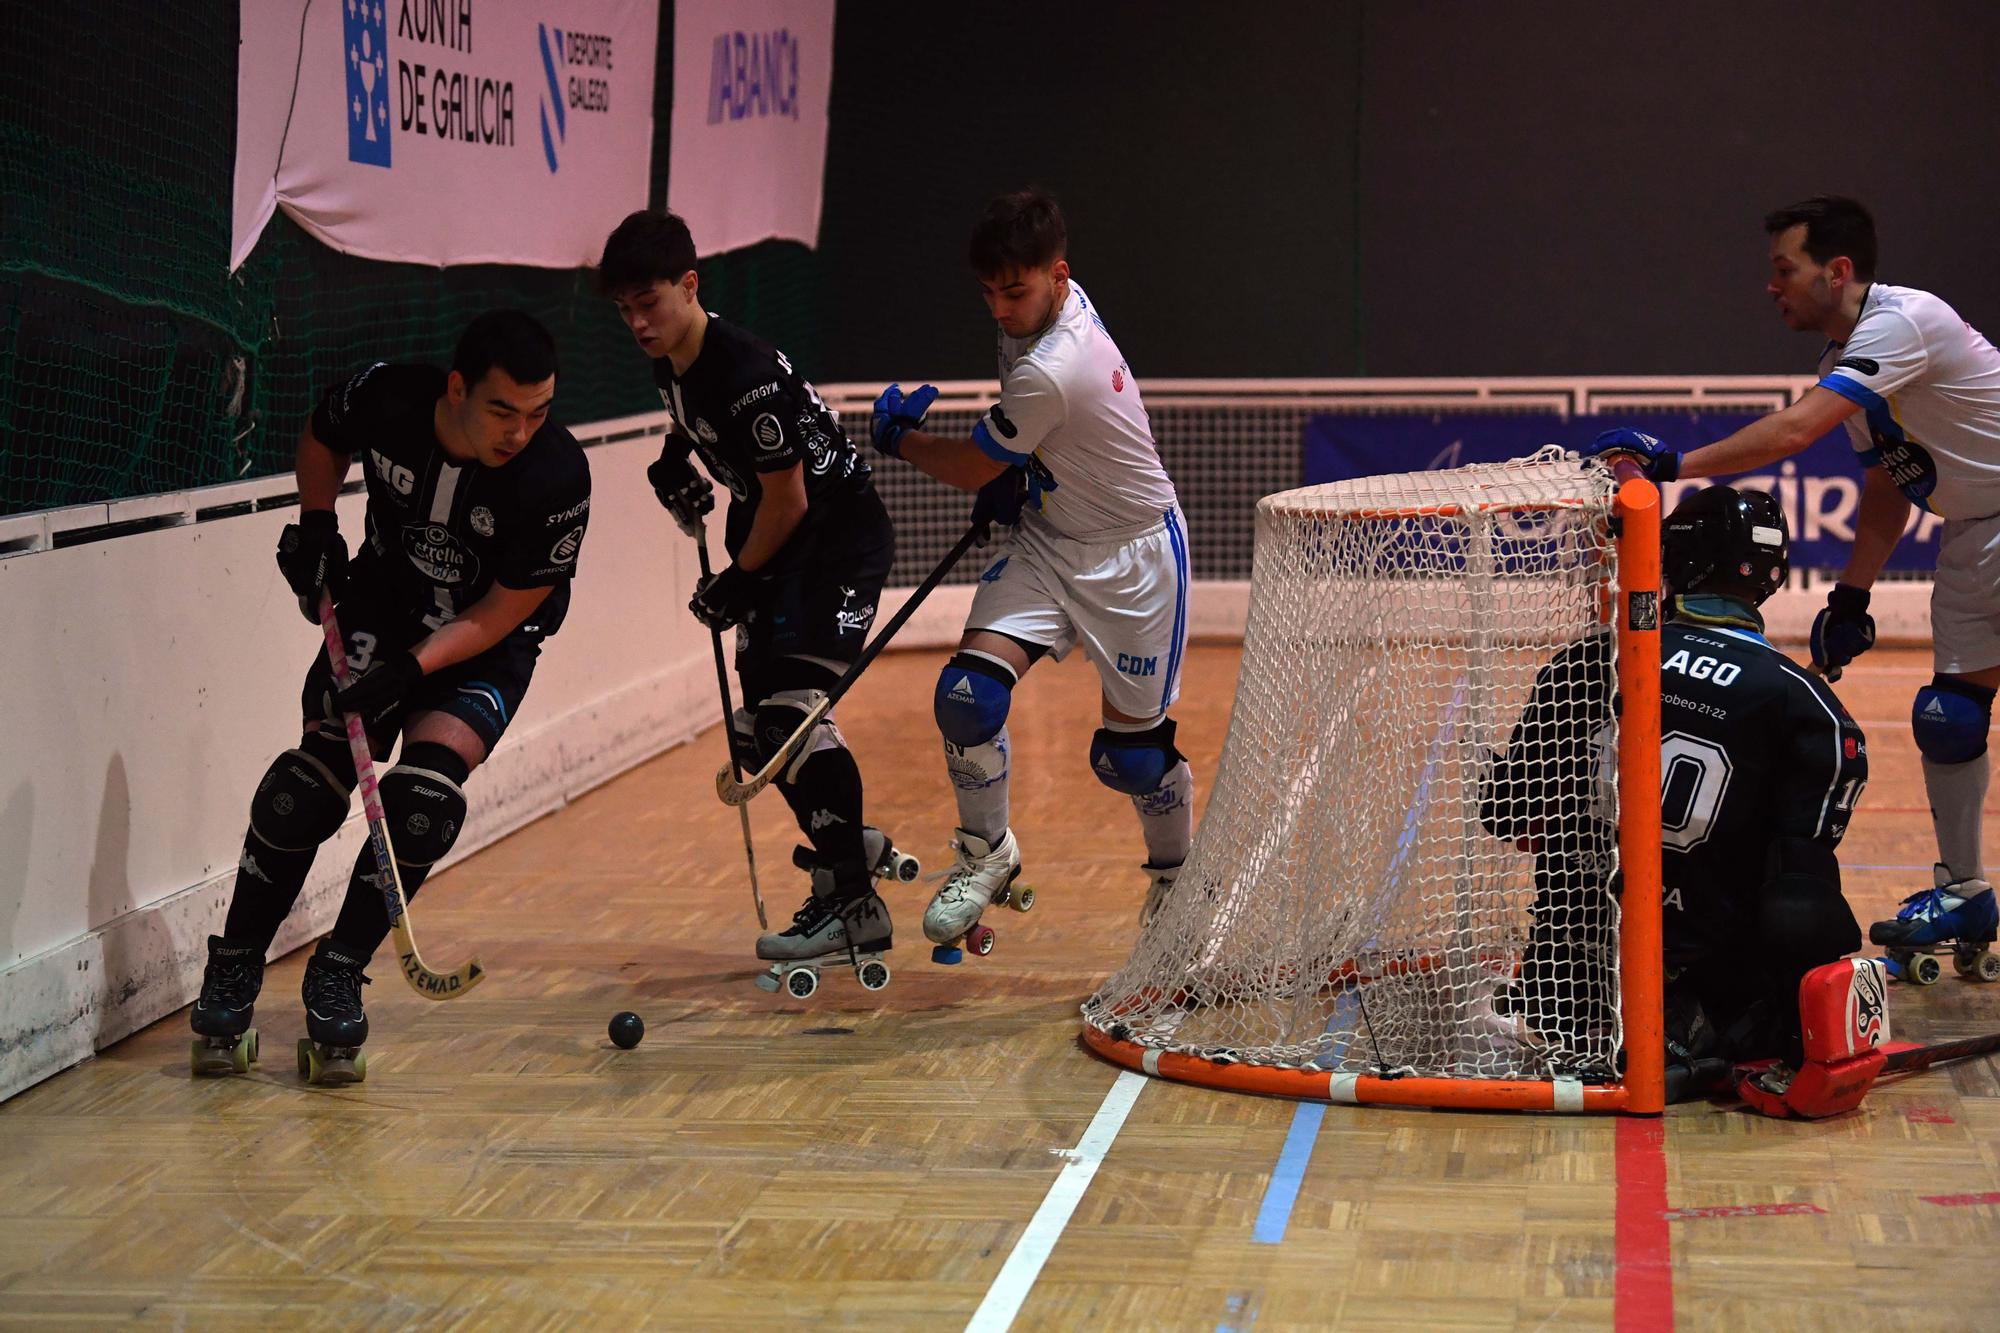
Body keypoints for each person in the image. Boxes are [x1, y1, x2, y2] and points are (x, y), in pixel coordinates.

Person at [1582, 195, 1998, 965]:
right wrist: (1853, 595)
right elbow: (1887, 486)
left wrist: (1675, 464)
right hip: (1974, 533)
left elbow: (1796, 428)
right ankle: (1967, 893)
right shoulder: (1843, 364)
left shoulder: (1902, 323)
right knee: (1951, 717)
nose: (1771, 286)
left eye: (1785, 269)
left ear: (1836, 272)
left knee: (1952, 714)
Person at [190, 311, 592, 1079]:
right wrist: (315, 525)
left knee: (424, 802)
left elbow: (504, 611)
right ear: (457, 388)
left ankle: (338, 967)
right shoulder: (388, 398)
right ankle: (235, 961)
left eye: (538, 413)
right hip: (381, 605)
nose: (519, 432)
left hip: (486, 641)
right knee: (303, 790)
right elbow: (322, 433)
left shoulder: (556, 475)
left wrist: (412, 669)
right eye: (503, 410)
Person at [867, 188, 1195, 955]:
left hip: (1135, 556)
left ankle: (1180, 882)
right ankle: (987, 857)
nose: (999, 310)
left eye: (1014, 292)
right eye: (987, 293)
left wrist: (902, 439)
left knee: (1133, 758)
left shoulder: (1054, 363)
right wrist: (1033, 468)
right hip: (1052, 542)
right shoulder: (1049, 308)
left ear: (1059, 274)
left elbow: (971, 464)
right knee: (966, 696)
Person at [1481, 486, 1871, 1111]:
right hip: (1714, 1006)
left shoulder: (1586, 660)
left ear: (1676, 559)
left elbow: (1506, 816)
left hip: (1569, 987)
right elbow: (1800, 902)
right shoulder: (1811, 708)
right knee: (1804, 888)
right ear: (1773, 577)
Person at [596, 209, 904, 989]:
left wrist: (737, 576)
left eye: (650, 303)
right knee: (757, 735)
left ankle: (852, 901)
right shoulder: (674, 359)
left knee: (787, 716)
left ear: (690, 286)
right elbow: (703, 430)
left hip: (830, 540)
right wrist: (676, 462)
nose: (637, 323)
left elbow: (789, 500)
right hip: (777, 533)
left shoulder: (744, 371)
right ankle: (849, 848)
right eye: (624, 309)